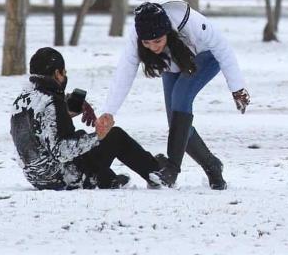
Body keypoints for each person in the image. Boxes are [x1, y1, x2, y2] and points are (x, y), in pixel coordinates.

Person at [97, 0, 251, 190]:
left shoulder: (191, 22)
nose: (152, 47)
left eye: (157, 41)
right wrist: (109, 111)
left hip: (206, 56)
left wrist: (237, 88)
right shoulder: (137, 33)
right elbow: (125, 71)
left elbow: (224, 49)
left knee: (180, 99)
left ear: (168, 32)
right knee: (177, 123)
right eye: (146, 43)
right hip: (173, 62)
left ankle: (171, 169)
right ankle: (212, 165)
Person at [10, 47, 178, 190]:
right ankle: (156, 173)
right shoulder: (51, 102)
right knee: (115, 136)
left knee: (82, 137)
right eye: (64, 73)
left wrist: (66, 112)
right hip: (62, 177)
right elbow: (61, 152)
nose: (65, 77)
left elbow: (36, 134)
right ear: (57, 73)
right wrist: (98, 135)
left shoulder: (22, 101)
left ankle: (107, 179)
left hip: (37, 178)